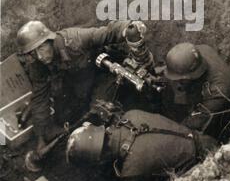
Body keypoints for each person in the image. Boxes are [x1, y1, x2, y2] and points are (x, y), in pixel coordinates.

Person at [17, 19, 141, 154]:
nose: (39, 56)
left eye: (41, 48)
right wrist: (41, 138)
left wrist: (128, 29)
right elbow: (40, 99)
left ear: (50, 40)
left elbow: (107, 32)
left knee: (97, 117)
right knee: (62, 119)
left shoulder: (74, 39)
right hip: (78, 84)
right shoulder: (37, 64)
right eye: (33, 52)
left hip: (102, 76)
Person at [66, 107, 217, 181]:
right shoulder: (131, 115)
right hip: (207, 139)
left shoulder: (131, 171)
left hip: (208, 165)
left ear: (100, 158)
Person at [162, 42, 230, 142]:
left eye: (181, 80)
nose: (177, 82)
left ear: (192, 75)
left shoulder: (219, 90)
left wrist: (171, 130)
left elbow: (197, 121)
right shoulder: (200, 51)